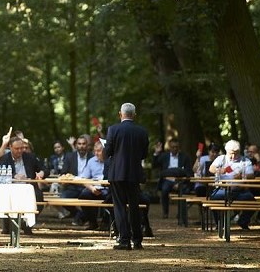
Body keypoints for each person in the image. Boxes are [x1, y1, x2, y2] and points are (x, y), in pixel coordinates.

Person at [104, 102, 149, 251]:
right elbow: (144, 154)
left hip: (117, 173)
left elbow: (107, 152)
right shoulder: (141, 131)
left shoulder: (113, 129)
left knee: (120, 207)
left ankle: (124, 240)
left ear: (120, 114)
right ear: (134, 115)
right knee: (135, 207)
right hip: (135, 174)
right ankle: (137, 240)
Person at [0, 136, 45, 235]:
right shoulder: (4, 158)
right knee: (6, 197)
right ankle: (8, 225)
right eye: (17, 149)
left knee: (39, 197)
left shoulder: (30, 157)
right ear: (10, 147)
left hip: (28, 187)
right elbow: (0, 173)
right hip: (11, 187)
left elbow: (44, 169)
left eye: (21, 148)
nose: (20, 151)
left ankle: (27, 224)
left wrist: (41, 173)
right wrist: (14, 175)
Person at [208, 139, 255, 230]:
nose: (233, 156)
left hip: (240, 190)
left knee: (251, 200)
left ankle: (243, 221)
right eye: (231, 153)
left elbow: (251, 175)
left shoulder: (245, 160)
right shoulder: (221, 158)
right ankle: (219, 223)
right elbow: (211, 168)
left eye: (236, 153)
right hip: (222, 189)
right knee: (213, 198)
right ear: (226, 152)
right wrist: (219, 170)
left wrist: (242, 176)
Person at [151, 138, 192, 218]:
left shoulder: (184, 157)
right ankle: (165, 212)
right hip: (167, 180)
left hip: (180, 180)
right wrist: (156, 153)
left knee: (183, 191)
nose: (175, 149)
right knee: (164, 190)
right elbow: (154, 165)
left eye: (176, 147)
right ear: (169, 147)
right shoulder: (164, 156)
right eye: (173, 147)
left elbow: (188, 172)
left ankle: (181, 213)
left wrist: (181, 181)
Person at [60, 134, 92, 225]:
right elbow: (63, 172)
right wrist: (66, 177)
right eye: (79, 144)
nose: (81, 146)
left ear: (87, 145)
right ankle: (79, 214)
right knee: (63, 199)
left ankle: (82, 218)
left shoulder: (92, 157)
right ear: (76, 145)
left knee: (88, 198)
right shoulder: (69, 157)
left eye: (83, 144)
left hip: (87, 187)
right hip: (72, 186)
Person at [77, 141, 109, 230]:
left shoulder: (111, 161)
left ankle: (106, 223)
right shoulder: (91, 161)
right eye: (95, 151)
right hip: (94, 188)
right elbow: (83, 179)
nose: (96, 153)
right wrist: (91, 188)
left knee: (112, 197)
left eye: (98, 151)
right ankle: (92, 222)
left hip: (108, 188)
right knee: (83, 196)